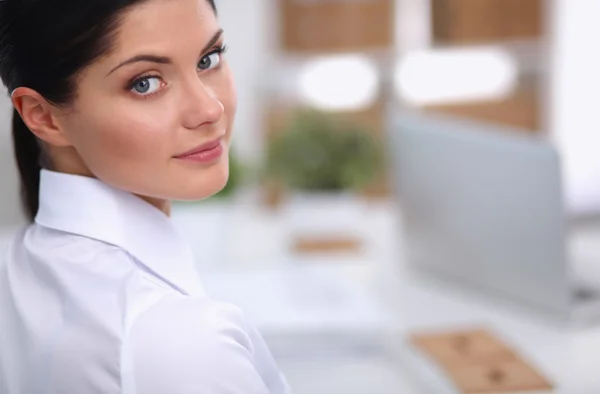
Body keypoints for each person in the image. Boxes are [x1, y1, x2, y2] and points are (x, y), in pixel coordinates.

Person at [0, 0, 290, 393]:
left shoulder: (12, 267)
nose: (209, 108)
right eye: (145, 83)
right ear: (43, 116)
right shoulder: (184, 345)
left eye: (209, 59)